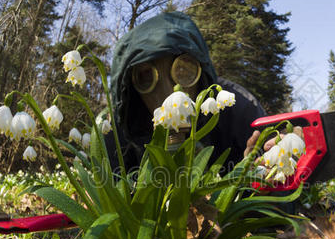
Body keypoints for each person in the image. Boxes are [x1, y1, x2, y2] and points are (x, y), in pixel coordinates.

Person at [107, 11, 266, 173]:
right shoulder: (119, 131)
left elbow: (282, 187)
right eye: (146, 76)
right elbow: (110, 187)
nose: (170, 93)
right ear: (132, 88)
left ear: (200, 71)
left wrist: (259, 176)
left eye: (183, 70)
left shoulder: (237, 109)